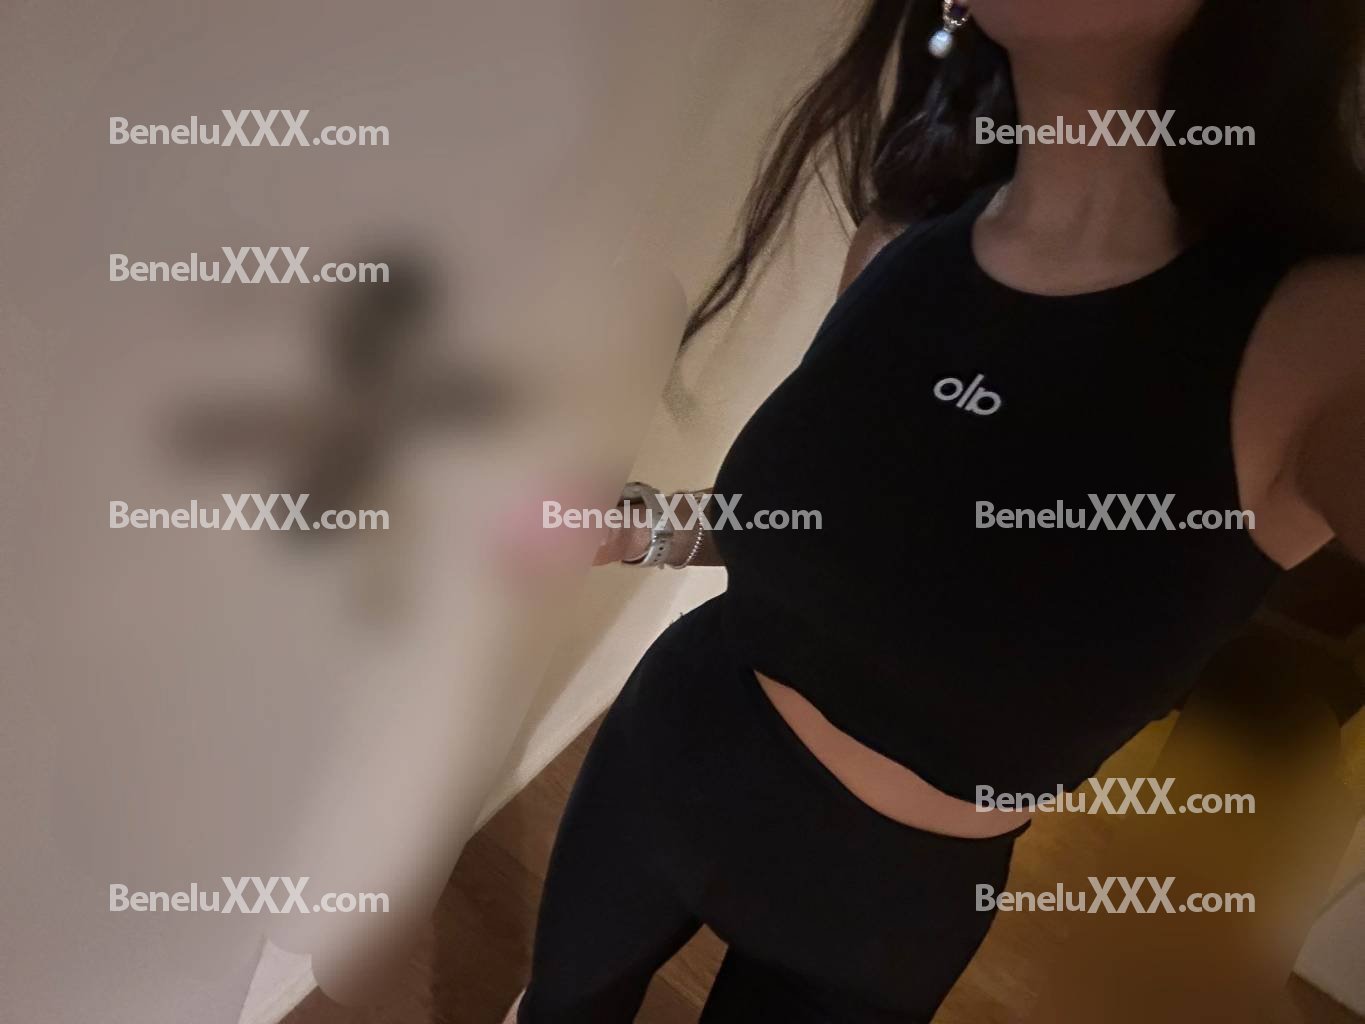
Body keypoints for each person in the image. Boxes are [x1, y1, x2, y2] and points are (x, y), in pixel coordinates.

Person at [511, 0, 1365, 1019]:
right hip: (667, 757)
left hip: (887, 909)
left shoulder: (1330, 343)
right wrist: (635, 526)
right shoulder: (901, 242)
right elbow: (820, 526)